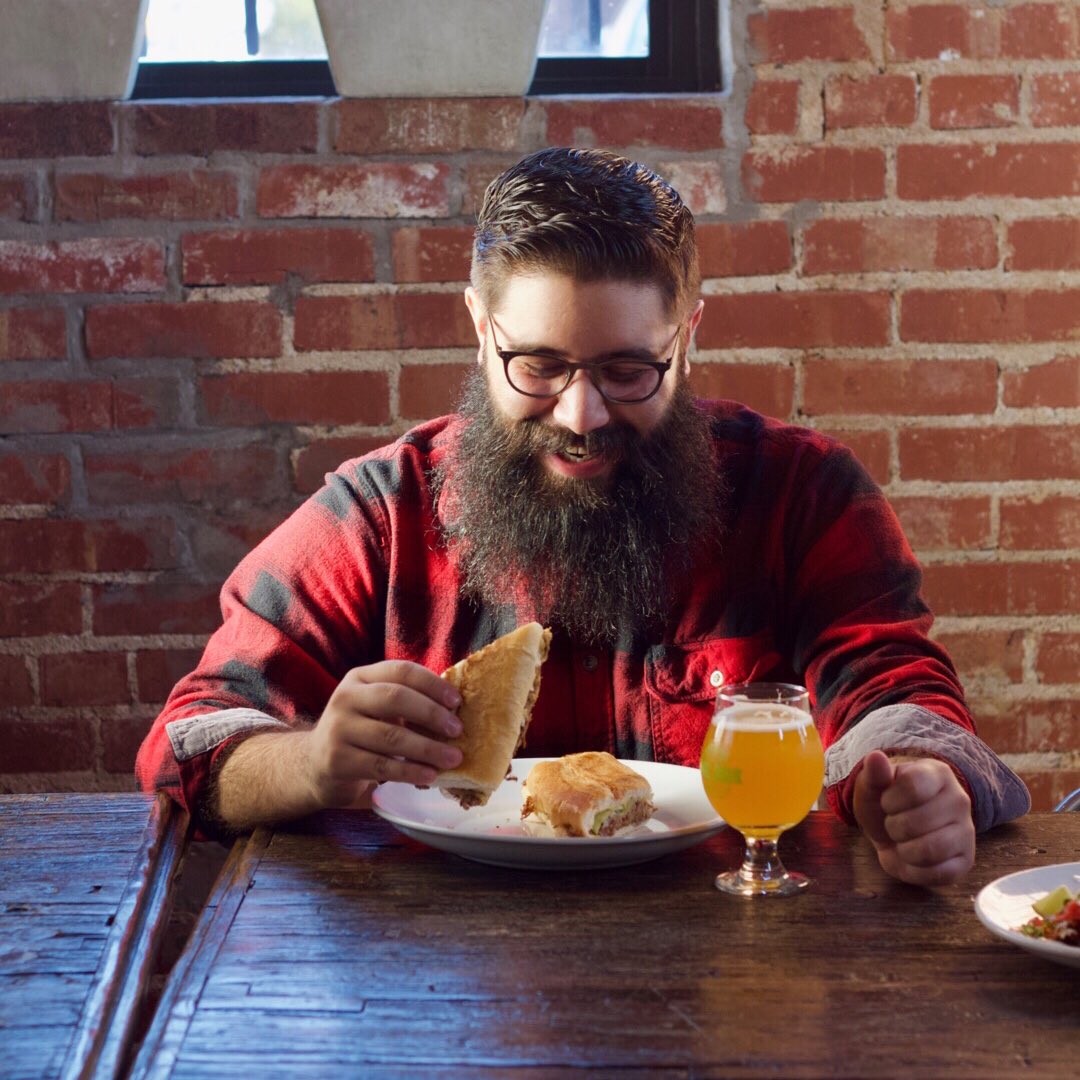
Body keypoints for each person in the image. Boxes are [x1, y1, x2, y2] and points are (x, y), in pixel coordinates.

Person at [136, 147, 1028, 886]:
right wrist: (315, 761)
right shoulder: (383, 512)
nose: (580, 415)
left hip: (745, 975)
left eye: (627, 370)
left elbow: (893, 693)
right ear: (479, 328)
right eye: (538, 365)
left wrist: (918, 782)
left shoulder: (806, 494)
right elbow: (194, 739)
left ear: (687, 336)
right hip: (439, 992)